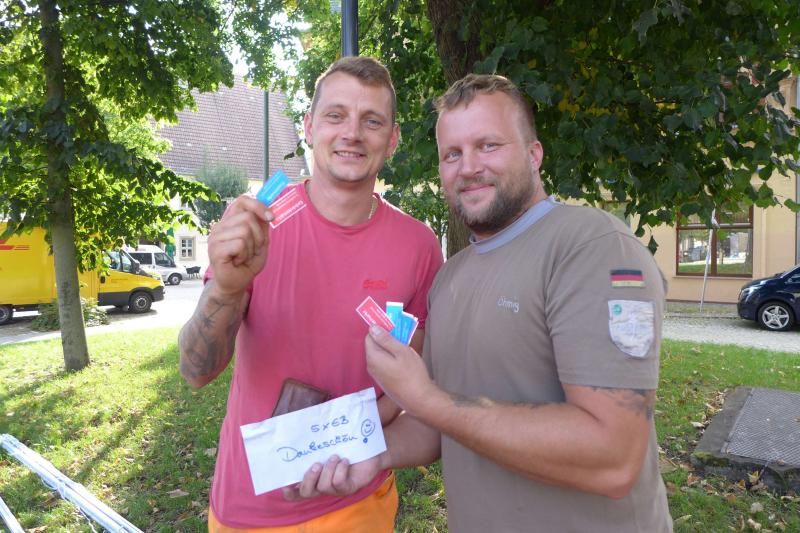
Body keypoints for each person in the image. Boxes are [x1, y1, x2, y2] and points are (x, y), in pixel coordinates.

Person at [296, 74, 673, 532]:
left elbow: (613, 459)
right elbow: (442, 423)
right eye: (452, 154)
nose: (469, 167)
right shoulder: (449, 277)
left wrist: (427, 400)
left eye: (488, 145)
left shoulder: (591, 246)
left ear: (534, 154)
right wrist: (374, 456)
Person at [178, 56, 443, 532]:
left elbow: (406, 388)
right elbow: (195, 372)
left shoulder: (419, 246)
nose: (352, 133)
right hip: (250, 510)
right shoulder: (257, 224)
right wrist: (228, 288)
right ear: (309, 126)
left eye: (372, 121)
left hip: (358, 501)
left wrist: (346, 445)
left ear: (393, 139)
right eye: (335, 115)